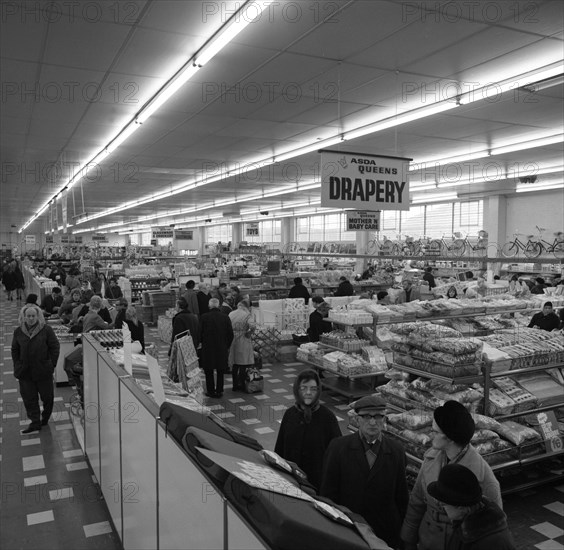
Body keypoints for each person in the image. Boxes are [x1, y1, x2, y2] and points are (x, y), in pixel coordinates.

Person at [400, 400, 502, 550]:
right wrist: (408, 539)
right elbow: (417, 501)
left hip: (459, 542)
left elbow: (494, 527)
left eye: (435, 431)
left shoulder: (483, 477)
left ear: (450, 438)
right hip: (427, 538)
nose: (430, 434)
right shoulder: (431, 458)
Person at [320, 394, 409, 548]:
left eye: (378, 416)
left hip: (384, 531)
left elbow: (401, 497)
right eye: (367, 416)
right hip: (350, 529)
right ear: (358, 419)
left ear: (384, 419)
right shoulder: (338, 448)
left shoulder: (396, 451)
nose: (373, 422)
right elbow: (328, 493)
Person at [275, 369, 341, 489]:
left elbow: (337, 455)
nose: (308, 392)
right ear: (297, 390)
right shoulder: (290, 414)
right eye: (304, 388)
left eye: (313, 388)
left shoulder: (327, 417)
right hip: (291, 481)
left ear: (318, 390)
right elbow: (280, 448)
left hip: (317, 483)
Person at [427, 464, 516, 549]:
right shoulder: (465, 524)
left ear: (461, 508)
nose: (439, 505)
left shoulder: (490, 544)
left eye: (443, 505)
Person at [11, 304, 60, 433]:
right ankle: (35, 422)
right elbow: (15, 350)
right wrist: (17, 365)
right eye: (29, 316)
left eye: (33, 316)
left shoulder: (46, 330)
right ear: (24, 317)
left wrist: (51, 364)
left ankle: (45, 418)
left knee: (47, 397)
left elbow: (54, 347)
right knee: (29, 399)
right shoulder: (18, 331)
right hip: (25, 372)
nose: (31, 318)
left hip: (43, 371)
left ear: (38, 316)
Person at [199, 298, 233, 398]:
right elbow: (230, 334)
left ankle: (210, 391)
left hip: (207, 347)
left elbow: (199, 332)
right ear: (218, 306)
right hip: (221, 347)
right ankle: (219, 391)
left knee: (208, 371)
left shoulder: (204, 317)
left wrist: (201, 343)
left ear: (209, 306)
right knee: (220, 370)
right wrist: (226, 345)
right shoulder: (225, 317)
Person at [228, 300, 256, 392]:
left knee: (235, 363)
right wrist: (249, 333)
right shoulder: (247, 314)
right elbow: (252, 326)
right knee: (243, 363)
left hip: (232, 338)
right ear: (246, 307)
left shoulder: (231, 313)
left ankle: (235, 385)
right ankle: (242, 384)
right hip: (243, 339)